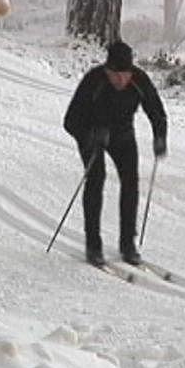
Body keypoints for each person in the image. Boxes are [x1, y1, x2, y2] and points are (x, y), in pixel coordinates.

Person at [63, 41, 168, 267]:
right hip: (92, 134)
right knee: (96, 179)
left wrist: (160, 137)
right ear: (107, 70)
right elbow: (70, 121)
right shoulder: (94, 81)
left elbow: (156, 112)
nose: (121, 80)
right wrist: (90, 136)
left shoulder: (139, 80)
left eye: (125, 74)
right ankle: (93, 245)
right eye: (115, 75)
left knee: (131, 183)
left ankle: (127, 244)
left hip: (122, 135)